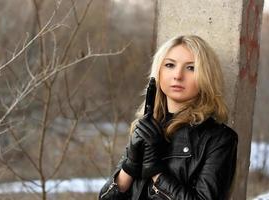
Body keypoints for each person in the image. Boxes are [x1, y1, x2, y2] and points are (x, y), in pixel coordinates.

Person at [98, 35, 238, 200]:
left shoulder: (219, 138)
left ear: (206, 76)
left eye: (191, 68)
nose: (178, 75)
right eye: (170, 65)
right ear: (159, 71)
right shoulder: (145, 126)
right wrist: (130, 165)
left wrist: (157, 174)